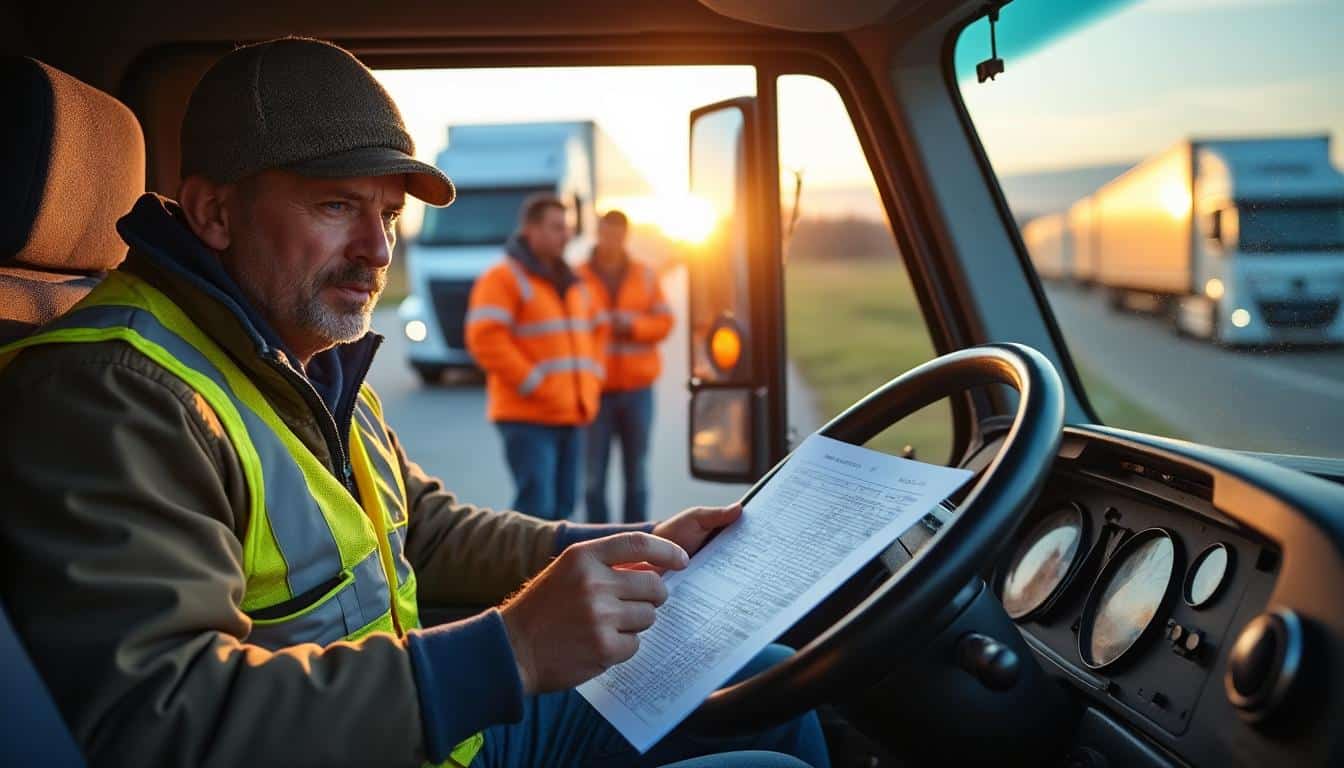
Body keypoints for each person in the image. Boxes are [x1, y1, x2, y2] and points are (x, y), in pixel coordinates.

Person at [0, 38, 828, 768]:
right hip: (395, 735)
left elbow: (424, 528)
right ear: (216, 211)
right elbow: (156, 724)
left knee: (755, 678)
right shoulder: (116, 391)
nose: (377, 251)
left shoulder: (293, 351)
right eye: (337, 206)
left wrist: (626, 547)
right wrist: (507, 654)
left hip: (429, 734)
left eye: (389, 215)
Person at [466, 194, 606, 521]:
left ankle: (557, 573)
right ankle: (525, 573)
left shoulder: (574, 281)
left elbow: (599, 329)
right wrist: (535, 383)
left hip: (571, 412)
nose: (566, 235)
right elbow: (484, 338)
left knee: (563, 508)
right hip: (527, 416)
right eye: (557, 227)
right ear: (531, 230)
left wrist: (594, 377)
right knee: (536, 510)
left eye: (567, 228)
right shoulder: (503, 278)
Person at [579, 210, 674, 523]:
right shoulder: (577, 276)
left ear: (625, 236)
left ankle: (638, 547)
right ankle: (598, 546)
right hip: (596, 392)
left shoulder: (646, 274)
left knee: (637, 478)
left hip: (637, 392)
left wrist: (632, 326)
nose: (612, 241)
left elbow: (665, 322)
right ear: (598, 233)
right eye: (607, 234)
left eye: (618, 235)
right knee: (593, 481)